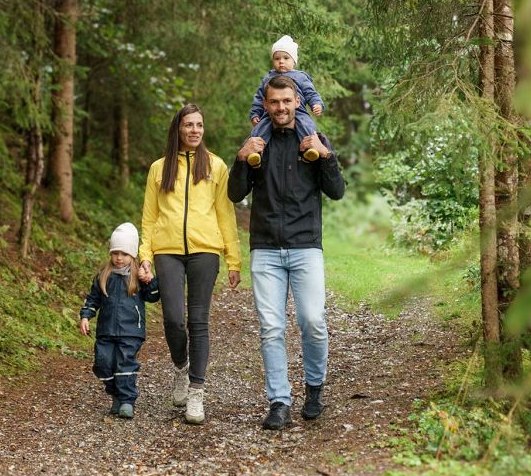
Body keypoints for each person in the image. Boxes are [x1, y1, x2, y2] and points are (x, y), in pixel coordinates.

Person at [228, 74, 345, 430]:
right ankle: (279, 401)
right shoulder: (256, 142)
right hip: (265, 248)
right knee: (271, 328)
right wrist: (240, 158)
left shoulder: (312, 140)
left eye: (286, 102)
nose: (280, 108)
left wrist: (325, 156)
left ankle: (314, 389)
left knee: (313, 321)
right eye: (274, 102)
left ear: (297, 102)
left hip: (305, 245)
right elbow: (235, 194)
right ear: (265, 104)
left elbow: (337, 191)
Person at [139, 103, 241, 425]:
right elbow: (149, 217)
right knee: (173, 320)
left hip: (205, 251)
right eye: (188, 125)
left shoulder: (216, 166)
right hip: (166, 249)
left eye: (199, 125)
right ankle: (181, 368)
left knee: (199, 321)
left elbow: (226, 214)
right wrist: (144, 255)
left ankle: (196, 391)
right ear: (178, 129)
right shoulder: (159, 168)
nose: (194, 130)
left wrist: (233, 259)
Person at [79, 223, 161, 419]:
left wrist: (150, 280)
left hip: (131, 331)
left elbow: (153, 297)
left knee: (125, 364)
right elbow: (93, 299)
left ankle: (126, 401)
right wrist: (85, 316)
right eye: (115, 253)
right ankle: (115, 394)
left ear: (132, 255)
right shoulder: (103, 276)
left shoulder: (138, 276)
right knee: (103, 364)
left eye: (124, 254)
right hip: (106, 331)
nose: (119, 258)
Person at [246, 35, 325, 166]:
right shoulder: (268, 78)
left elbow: (311, 93)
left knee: (306, 125)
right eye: (277, 58)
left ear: (294, 61)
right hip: (270, 114)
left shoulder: (300, 77)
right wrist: (255, 113)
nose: (281, 61)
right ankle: (257, 154)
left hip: (297, 111)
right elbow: (260, 97)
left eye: (286, 58)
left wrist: (316, 104)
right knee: (260, 129)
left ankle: (309, 149)